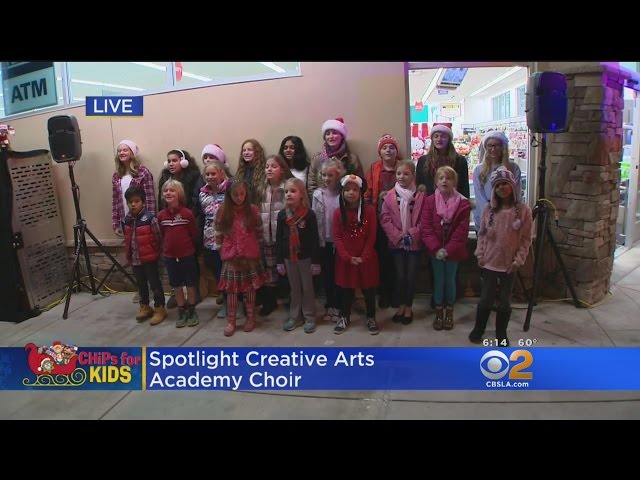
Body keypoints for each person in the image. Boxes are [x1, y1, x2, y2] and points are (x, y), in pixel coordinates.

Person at [470, 166, 532, 346]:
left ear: (512, 186)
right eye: (497, 185)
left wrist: (518, 260)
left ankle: (501, 333)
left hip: (509, 264)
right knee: (486, 299)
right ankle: (479, 328)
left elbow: (526, 239)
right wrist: (480, 254)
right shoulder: (489, 209)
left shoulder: (523, 211)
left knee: (505, 301)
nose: (501, 188)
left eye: (505, 183)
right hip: (490, 261)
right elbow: (482, 235)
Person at [215, 180, 267, 337]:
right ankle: (231, 321)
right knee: (231, 290)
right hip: (231, 256)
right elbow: (218, 232)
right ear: (229, 195)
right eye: (235, 195)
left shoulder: (253, 210)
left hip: (249, 255)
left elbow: (259, 231)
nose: (239, 197)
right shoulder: (223, 211)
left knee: (249, 288)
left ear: (246, 194)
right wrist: (220, 249)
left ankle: (250, 318)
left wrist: (257, 248)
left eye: (242, 194)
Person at [421, 166, 470, 330]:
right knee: (438, 280)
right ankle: (438, 311)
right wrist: (436, 248)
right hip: (435, 250)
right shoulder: (429, 201)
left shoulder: (463, 203)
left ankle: (449, 311)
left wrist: (448, 249)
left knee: (450, 280)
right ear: (436, 182)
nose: (444, 181)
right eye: (441, 178)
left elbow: (461, 231)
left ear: (454, 182)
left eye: (448, 178)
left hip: (453, 250)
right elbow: (426, 227)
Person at [333, 174, 379, 335]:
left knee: (369, 290)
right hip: (346, 259)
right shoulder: (338, 213)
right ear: (342, 192)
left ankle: (371, 317)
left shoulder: (370, 212)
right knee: (346, 290)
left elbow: (371, 237)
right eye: (347, 190)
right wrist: (347, 257)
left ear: (360, 192)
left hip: (366, 258)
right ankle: (344, 316)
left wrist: (363, 257)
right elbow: (337, 237)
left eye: (354, 190)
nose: (351, 193)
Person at [380, 160, 425, 325]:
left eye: (406, 174)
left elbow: (424, 219)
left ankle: (408, 307)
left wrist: (412, 235)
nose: (401, 177)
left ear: (413, 176)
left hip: (414, 244)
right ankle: (401, 305)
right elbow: (385, 219)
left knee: (410, 277)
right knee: (400, 276)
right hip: (397, 243)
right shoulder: (389, 196)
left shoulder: (420, 196)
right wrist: (398, 237)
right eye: (399, 173)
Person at [158, 148, 202, 309]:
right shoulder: (164, 178)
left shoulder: (193, 177)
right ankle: (178, 295)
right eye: (169, 161)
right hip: (170, 222)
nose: (171, 164)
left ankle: (193, 294)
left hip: (187, 220)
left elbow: (196, 200)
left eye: (175, 160)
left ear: (183, 162)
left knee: (190, 266)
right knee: (174, 273)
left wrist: (187, 214)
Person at [276, 178, 321, 333]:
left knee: (307, 288)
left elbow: (315, 239)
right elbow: (279, 239)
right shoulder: (282, 215)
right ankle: (295, 317)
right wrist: (279, 261)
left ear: (301, 194)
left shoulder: (309, 215)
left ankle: (309, 316)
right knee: (294, 289)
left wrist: (315, 261)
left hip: (305, 258)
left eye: (293, 191)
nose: (289, 194)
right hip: (289, 258)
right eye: (286, 191)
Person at [365, 133, 402, 309]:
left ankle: (397, 293)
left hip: (400, 220)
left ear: (397, 151)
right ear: (380, 152)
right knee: (382, 258)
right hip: (379, 219)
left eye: (392, 147)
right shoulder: (374, 168)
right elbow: (367, 192)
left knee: (397, 259)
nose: (388, 150)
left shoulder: (403, 166)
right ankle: (384, 293)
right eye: (385, 148)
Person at [157, 179, 200, 328]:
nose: (168, 193)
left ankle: (192, 309)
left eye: (172, 190)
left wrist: (188, 249)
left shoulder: (187, 214)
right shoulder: (161, 216)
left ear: (179, 194)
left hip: (187, 255)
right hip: (170, 256)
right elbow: (162, 234)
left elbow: (194, 233)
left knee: (190, 283)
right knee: (176, 284)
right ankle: (181, 309)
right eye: (165, 191)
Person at [121, 186, 166, 325]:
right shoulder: (127, 220)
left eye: (136, 201)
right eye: (130, 202)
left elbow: (158, 237)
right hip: (135, 259)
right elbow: (127, 238)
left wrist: (155, 252)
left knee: (155, 284)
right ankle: (145, 306)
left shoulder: (150, 219)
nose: (133, 204)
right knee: (141, 284)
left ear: (143, 202)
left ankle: (159, 308)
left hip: (149, 259)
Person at [258, 154, 293, 316]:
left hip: (285, 238)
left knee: (287, 269)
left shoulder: (287, 188)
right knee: (269, 269)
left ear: (282, 169)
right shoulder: (261, 189)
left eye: (273, 166)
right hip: (267, 237)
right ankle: (270, 301)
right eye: (267, 167)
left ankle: (291, 300)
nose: (269, 169)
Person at [312, 159, 346, 322]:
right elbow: (314, 218)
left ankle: (339, 305)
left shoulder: (343, 195)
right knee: (327, 275)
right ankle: (330, 304)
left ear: (338, 176)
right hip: (323, 241)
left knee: (339, 274)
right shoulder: (317, 195)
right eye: (324, 175)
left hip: (339, 242)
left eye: (330, 175)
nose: (326, 178)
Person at [197, 160, 231, 316]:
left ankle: (237, 302)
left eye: (213, 173)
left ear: (221, 174)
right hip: (211, 238)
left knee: (231, 271)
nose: (210, 177)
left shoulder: (229, 189)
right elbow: (203, 215)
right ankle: (225, 301)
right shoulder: (203, 193)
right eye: (207, 174)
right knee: (218, 272)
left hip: (228, 238)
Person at [472, 131, 521, 233]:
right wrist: (489, 217)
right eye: (490, 145)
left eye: (497, 145)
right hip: (485, 219)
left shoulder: (513, 168)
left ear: (503, 147)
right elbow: (480, 198)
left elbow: (516, 194)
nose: (493, 149)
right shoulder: (478, 170)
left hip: (507, 219)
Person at [308, 117, 364, 196]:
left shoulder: (352, 158)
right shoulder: (317, 159)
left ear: (341, 136)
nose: (331, 136)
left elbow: (359, 182)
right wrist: (317, 199)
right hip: (322, 200)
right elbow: (311, 184)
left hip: (345, 200)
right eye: (327, 134)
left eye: (334, 133)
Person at [111, 140, 155, 237]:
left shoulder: (143, 172)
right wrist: (115, 223)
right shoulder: (116, 175)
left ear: (132, 153)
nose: (121, 153)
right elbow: (115, 201)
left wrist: (151, 220)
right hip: (125, 220)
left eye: (125, 150)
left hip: (142, 219)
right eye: (119, 151)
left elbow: (150, 199)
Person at [416, 124, 470, 199]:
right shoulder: (423, 161)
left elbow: (464, 188)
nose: (439, 139)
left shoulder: (460, 161)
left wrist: (465, 203)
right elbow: (419, 186)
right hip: (429, 203)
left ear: (449, 139)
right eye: (436, 136)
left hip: (454, 202)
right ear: (432, 139)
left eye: (443, 136)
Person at [235, 139, 267, 205]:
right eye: (244, 150)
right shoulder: (241, 171)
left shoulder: (264, 171)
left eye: (249, 150)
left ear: (257, 152)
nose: (246, 153)